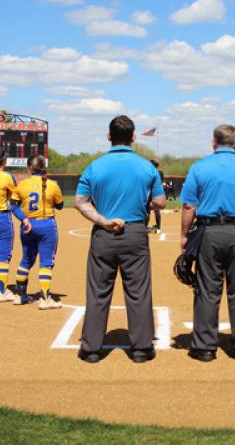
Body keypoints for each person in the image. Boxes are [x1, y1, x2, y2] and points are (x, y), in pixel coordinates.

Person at [75, 116, 166, 363]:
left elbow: (80, 202)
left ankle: (92, 349)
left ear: (109, 136)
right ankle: (141, 349)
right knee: (138, 292)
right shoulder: (147, 167)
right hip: (136, 233)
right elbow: (160, 202)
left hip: (104, 233)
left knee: (98, 291)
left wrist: (104, 221)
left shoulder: (94, 166)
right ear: (133, 137)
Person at [180, 124, 235, 363]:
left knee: (207, 290)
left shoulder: (199, 167)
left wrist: (184, 235)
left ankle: (205, 347)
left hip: (208, 232)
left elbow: (189, 206)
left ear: (213, 143)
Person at [12, 155, 64, 309]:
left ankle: (19, 296)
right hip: (47, 226)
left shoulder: (22, 185)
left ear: (30, 167)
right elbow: (60, 206)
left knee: (26, 260)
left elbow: (13, 206)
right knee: (46, 263)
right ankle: (45, 299)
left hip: (27, 226)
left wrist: (25, 219)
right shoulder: (52, 185)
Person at [0, 147, 31, 301]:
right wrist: (24, 218)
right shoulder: (7, 177)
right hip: (1, 219)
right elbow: (15, 202)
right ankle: (2, 292)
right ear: (4, 160)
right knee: (4, 256)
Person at [148, 160, 164, 234]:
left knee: (147, 209)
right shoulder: (160, 172)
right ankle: (158, 227)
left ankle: (144, 226)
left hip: (149, 192)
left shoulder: (149, 171)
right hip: (157, 192)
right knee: (157, 210)